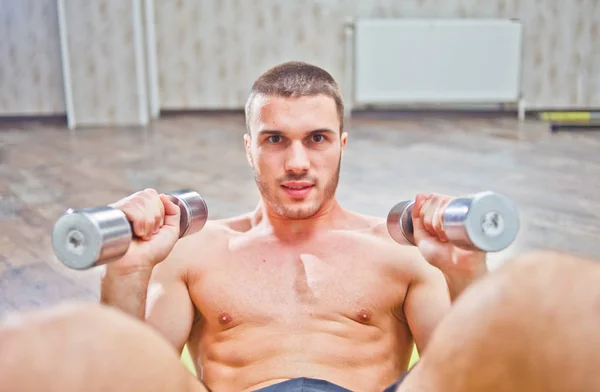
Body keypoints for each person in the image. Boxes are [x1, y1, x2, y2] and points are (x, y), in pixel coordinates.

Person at [97, 60, 487, 391]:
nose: (297, 162)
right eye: (275, 139)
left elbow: (470, 379)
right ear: (250, 148)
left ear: (342, 146)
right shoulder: (194, 253)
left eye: (317, 138)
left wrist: (465, 274)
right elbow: (129, 381)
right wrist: (126, 272)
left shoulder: (405, 254)